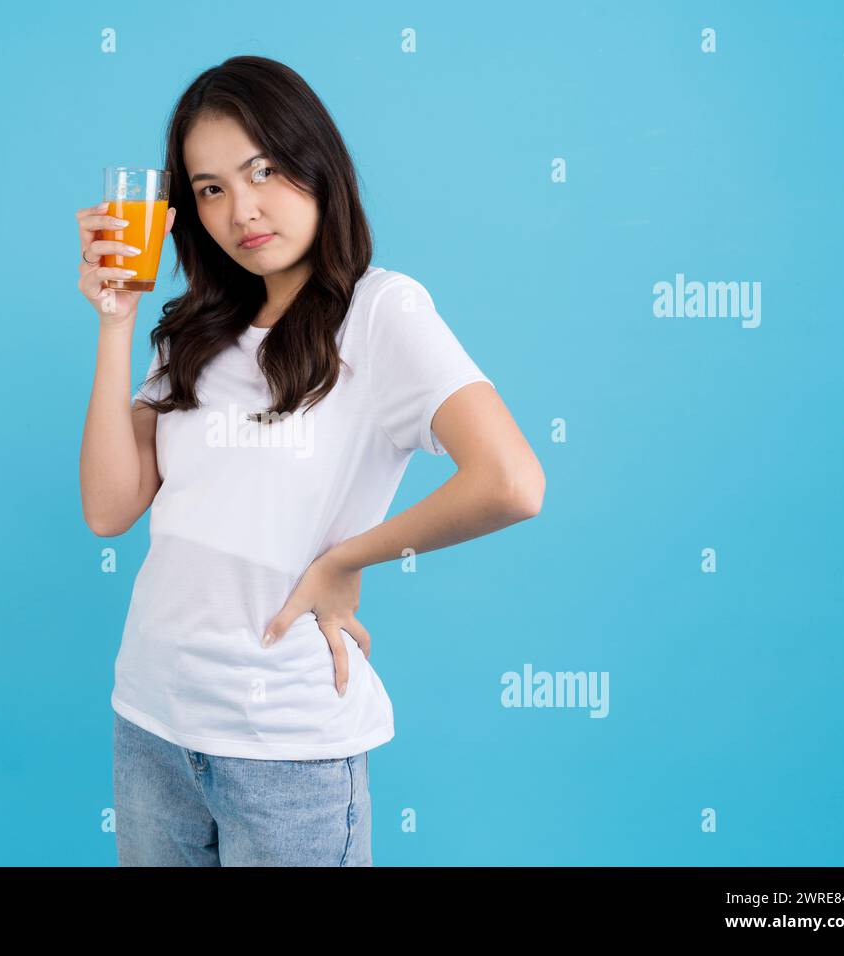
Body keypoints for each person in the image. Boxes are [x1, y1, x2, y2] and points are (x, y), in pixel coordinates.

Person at [76, 55, 544, 866]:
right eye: (211, 188)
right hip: (151, 722)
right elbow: (109, 510)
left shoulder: (381, 312)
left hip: (285, 749)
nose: (242, 209)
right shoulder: (197, 326)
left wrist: (346, 560)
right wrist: (117, 322)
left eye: (263, 169)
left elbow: (512, 483)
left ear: (316, 163)